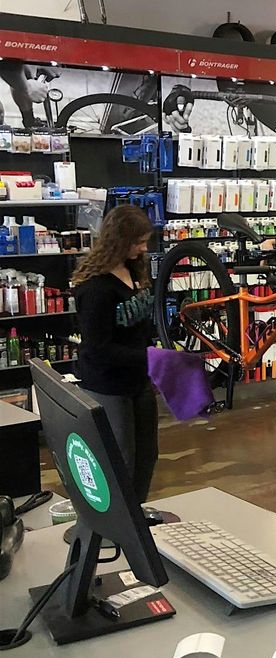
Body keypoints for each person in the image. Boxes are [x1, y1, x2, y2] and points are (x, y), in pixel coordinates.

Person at [71, 205, 158, 503]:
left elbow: (141, 325)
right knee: (120, 460)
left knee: (147, 455)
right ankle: (118, 526)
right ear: (119, 240)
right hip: (108, 386)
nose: (143, 248)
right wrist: (149, 358)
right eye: (138, 242)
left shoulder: (135, 270)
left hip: (138, 382)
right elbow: (98, 349)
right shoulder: (96, 289)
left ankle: (136, 518)